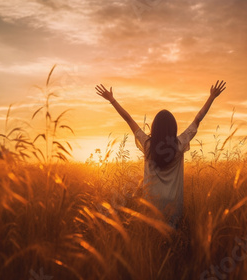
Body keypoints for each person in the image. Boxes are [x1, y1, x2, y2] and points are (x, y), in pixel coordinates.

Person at [95, 80, 226, 228]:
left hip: (152, 201)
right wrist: (211, 98)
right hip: (174, 203)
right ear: (174, 127)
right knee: (172, 240)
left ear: (154, 127)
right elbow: (197, 119)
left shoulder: (147, 144)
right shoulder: (180, 144)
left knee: (153, 239)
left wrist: (112, 100)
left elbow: (128, 119)